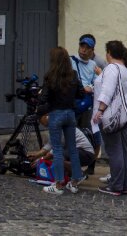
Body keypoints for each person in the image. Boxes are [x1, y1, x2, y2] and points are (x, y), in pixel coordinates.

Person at [91, 40, 127, 197]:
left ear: (109, 52)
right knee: (125, 150)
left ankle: (116, 185)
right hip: (125, 114)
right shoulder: (125, 70)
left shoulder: (111, 68)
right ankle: (125, 184)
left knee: (114, 150)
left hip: (111, 115)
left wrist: (100, 110)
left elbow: (107, 90)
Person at [40, 46, 85, 195]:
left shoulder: (50, 76)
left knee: (58, 149)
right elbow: (81, 93)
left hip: (56, 114)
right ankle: (75, 181)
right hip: (70, 114)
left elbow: (43, 99)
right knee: (72, 149)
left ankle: (59, 184)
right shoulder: (73, 74)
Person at [71, 34, 102, 174]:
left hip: (88, 103)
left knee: (89, 133)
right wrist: (82, 87)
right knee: (72, 132)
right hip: (73, 102)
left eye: (87, 47)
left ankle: (90, 165)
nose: (83, 49)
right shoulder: (71, 61)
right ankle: (72, 165)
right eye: (81, 46)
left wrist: (91, 87)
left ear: (92, 50)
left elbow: (97, 83)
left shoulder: (94, 64)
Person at [31, 114, 96, 181]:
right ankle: (73, 176)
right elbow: (50, 145)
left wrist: (41, 160)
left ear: (45, 116)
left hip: (86, 154)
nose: (39, 122)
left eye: (39, 119)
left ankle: (79, 174)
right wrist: (36, 155)